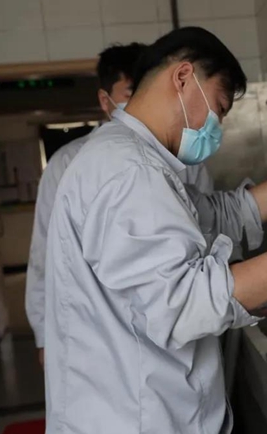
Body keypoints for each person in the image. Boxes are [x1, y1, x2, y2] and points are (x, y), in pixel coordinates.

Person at [43, 27, 267, 434]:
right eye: (219, 107)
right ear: (183, 78)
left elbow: (223, 214)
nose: (218, 127)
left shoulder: (130, 158)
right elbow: (187, 303)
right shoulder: (128, 170)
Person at [25, 43, 214, 366]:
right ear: (105, 101)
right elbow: (45, 254)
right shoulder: (68, 163)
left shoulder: (187, 159)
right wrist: (44, 335)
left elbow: (210, 228)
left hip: (180, 324)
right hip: (98, 333)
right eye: (130, 92)